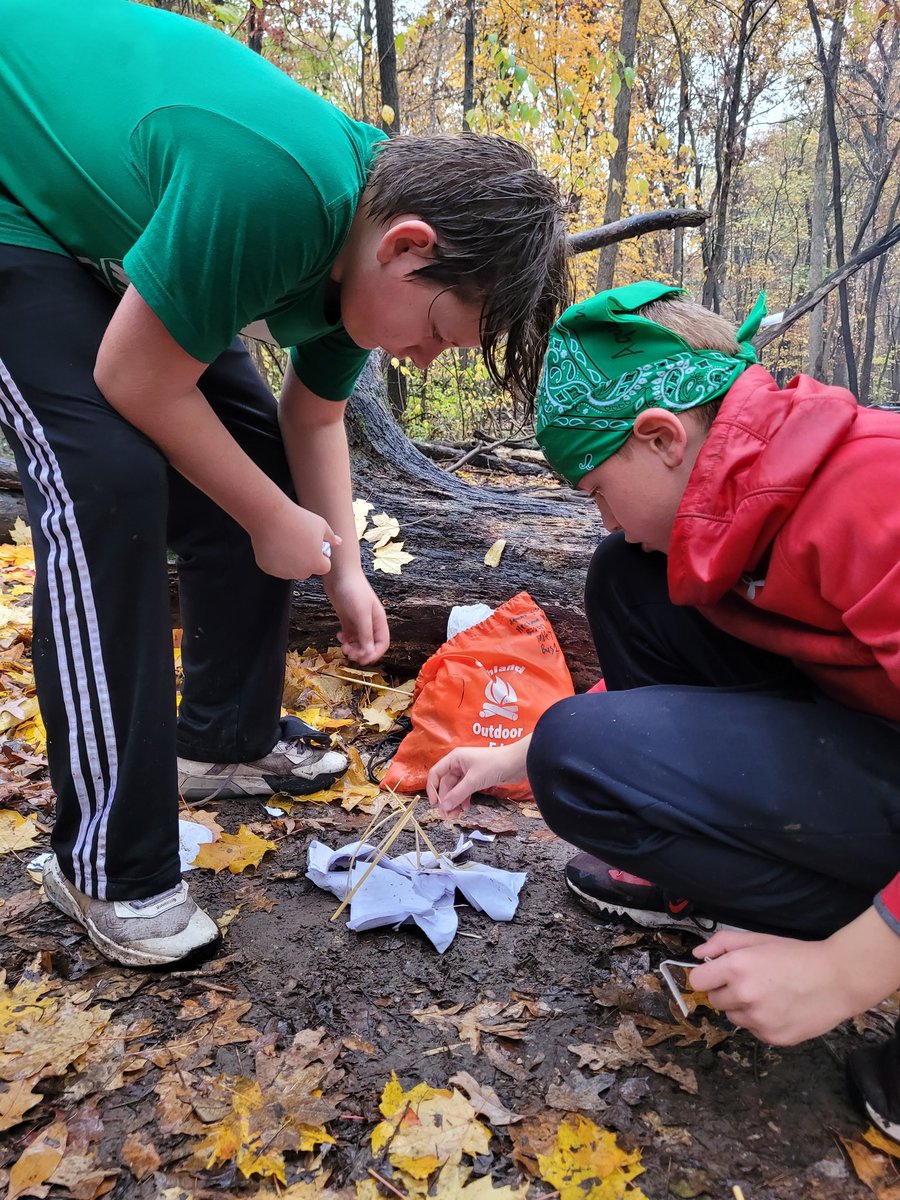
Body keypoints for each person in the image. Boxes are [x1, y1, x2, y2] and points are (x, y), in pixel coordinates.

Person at [0, 0, 569, 968]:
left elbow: (309, 418)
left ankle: (222, 736)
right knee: (109, 482)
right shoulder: (278, 192)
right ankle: (107, 866)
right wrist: (270, 520)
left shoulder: (362, 251)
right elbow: (133, 378)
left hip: (114, 224)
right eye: (435, 331)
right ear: (407, 247)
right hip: (21, 203)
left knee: (252, 456)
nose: (425, 361)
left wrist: (344, 569)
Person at [426, 281, 900, 1138]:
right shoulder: (754, 498)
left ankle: (847, 924)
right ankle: (716, 884)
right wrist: (519, 755)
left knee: (583, 739)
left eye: (596, 487)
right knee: (629, 579)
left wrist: (854, 968)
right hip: (868, 737)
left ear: (661, 437)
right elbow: (709, 694)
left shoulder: (874, 490)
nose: (598, 512)